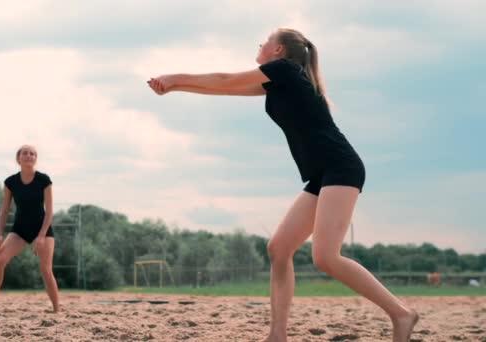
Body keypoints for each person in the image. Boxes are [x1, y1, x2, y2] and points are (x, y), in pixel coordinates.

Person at [148, 28, 418, 341]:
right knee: (279, 248)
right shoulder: (281, 80)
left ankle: (402, 313)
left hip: (340, 167)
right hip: (323, 174)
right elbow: (225, 89)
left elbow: (225, 80)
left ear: (278, 50)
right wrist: (175, 87)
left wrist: (173, 77)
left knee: (326, 257)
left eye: (264, 41)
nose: (260, 44)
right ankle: (277, 335)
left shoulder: (285, 71)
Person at [0, 144, 59, 313]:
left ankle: (56, 309)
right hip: (20, 230)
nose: (29, 156)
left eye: (32, 154)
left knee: (45, 269)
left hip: (42, 229)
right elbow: (5, 210)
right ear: (18, 158)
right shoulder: (11, 182)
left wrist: (41, 236)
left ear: (35, 159)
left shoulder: (44, 180)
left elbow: (50, 211)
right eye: (25, 153)